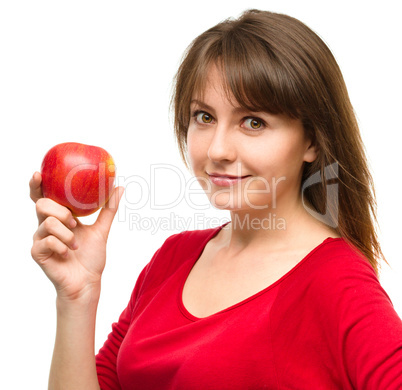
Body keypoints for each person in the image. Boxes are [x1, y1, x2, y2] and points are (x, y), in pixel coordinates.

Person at [30, 9, 402, 390]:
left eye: (253, 122)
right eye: (204, 116)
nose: (218, 149)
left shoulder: (336, 282)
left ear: (312, 140)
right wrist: (77, 295)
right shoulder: (173, 258)